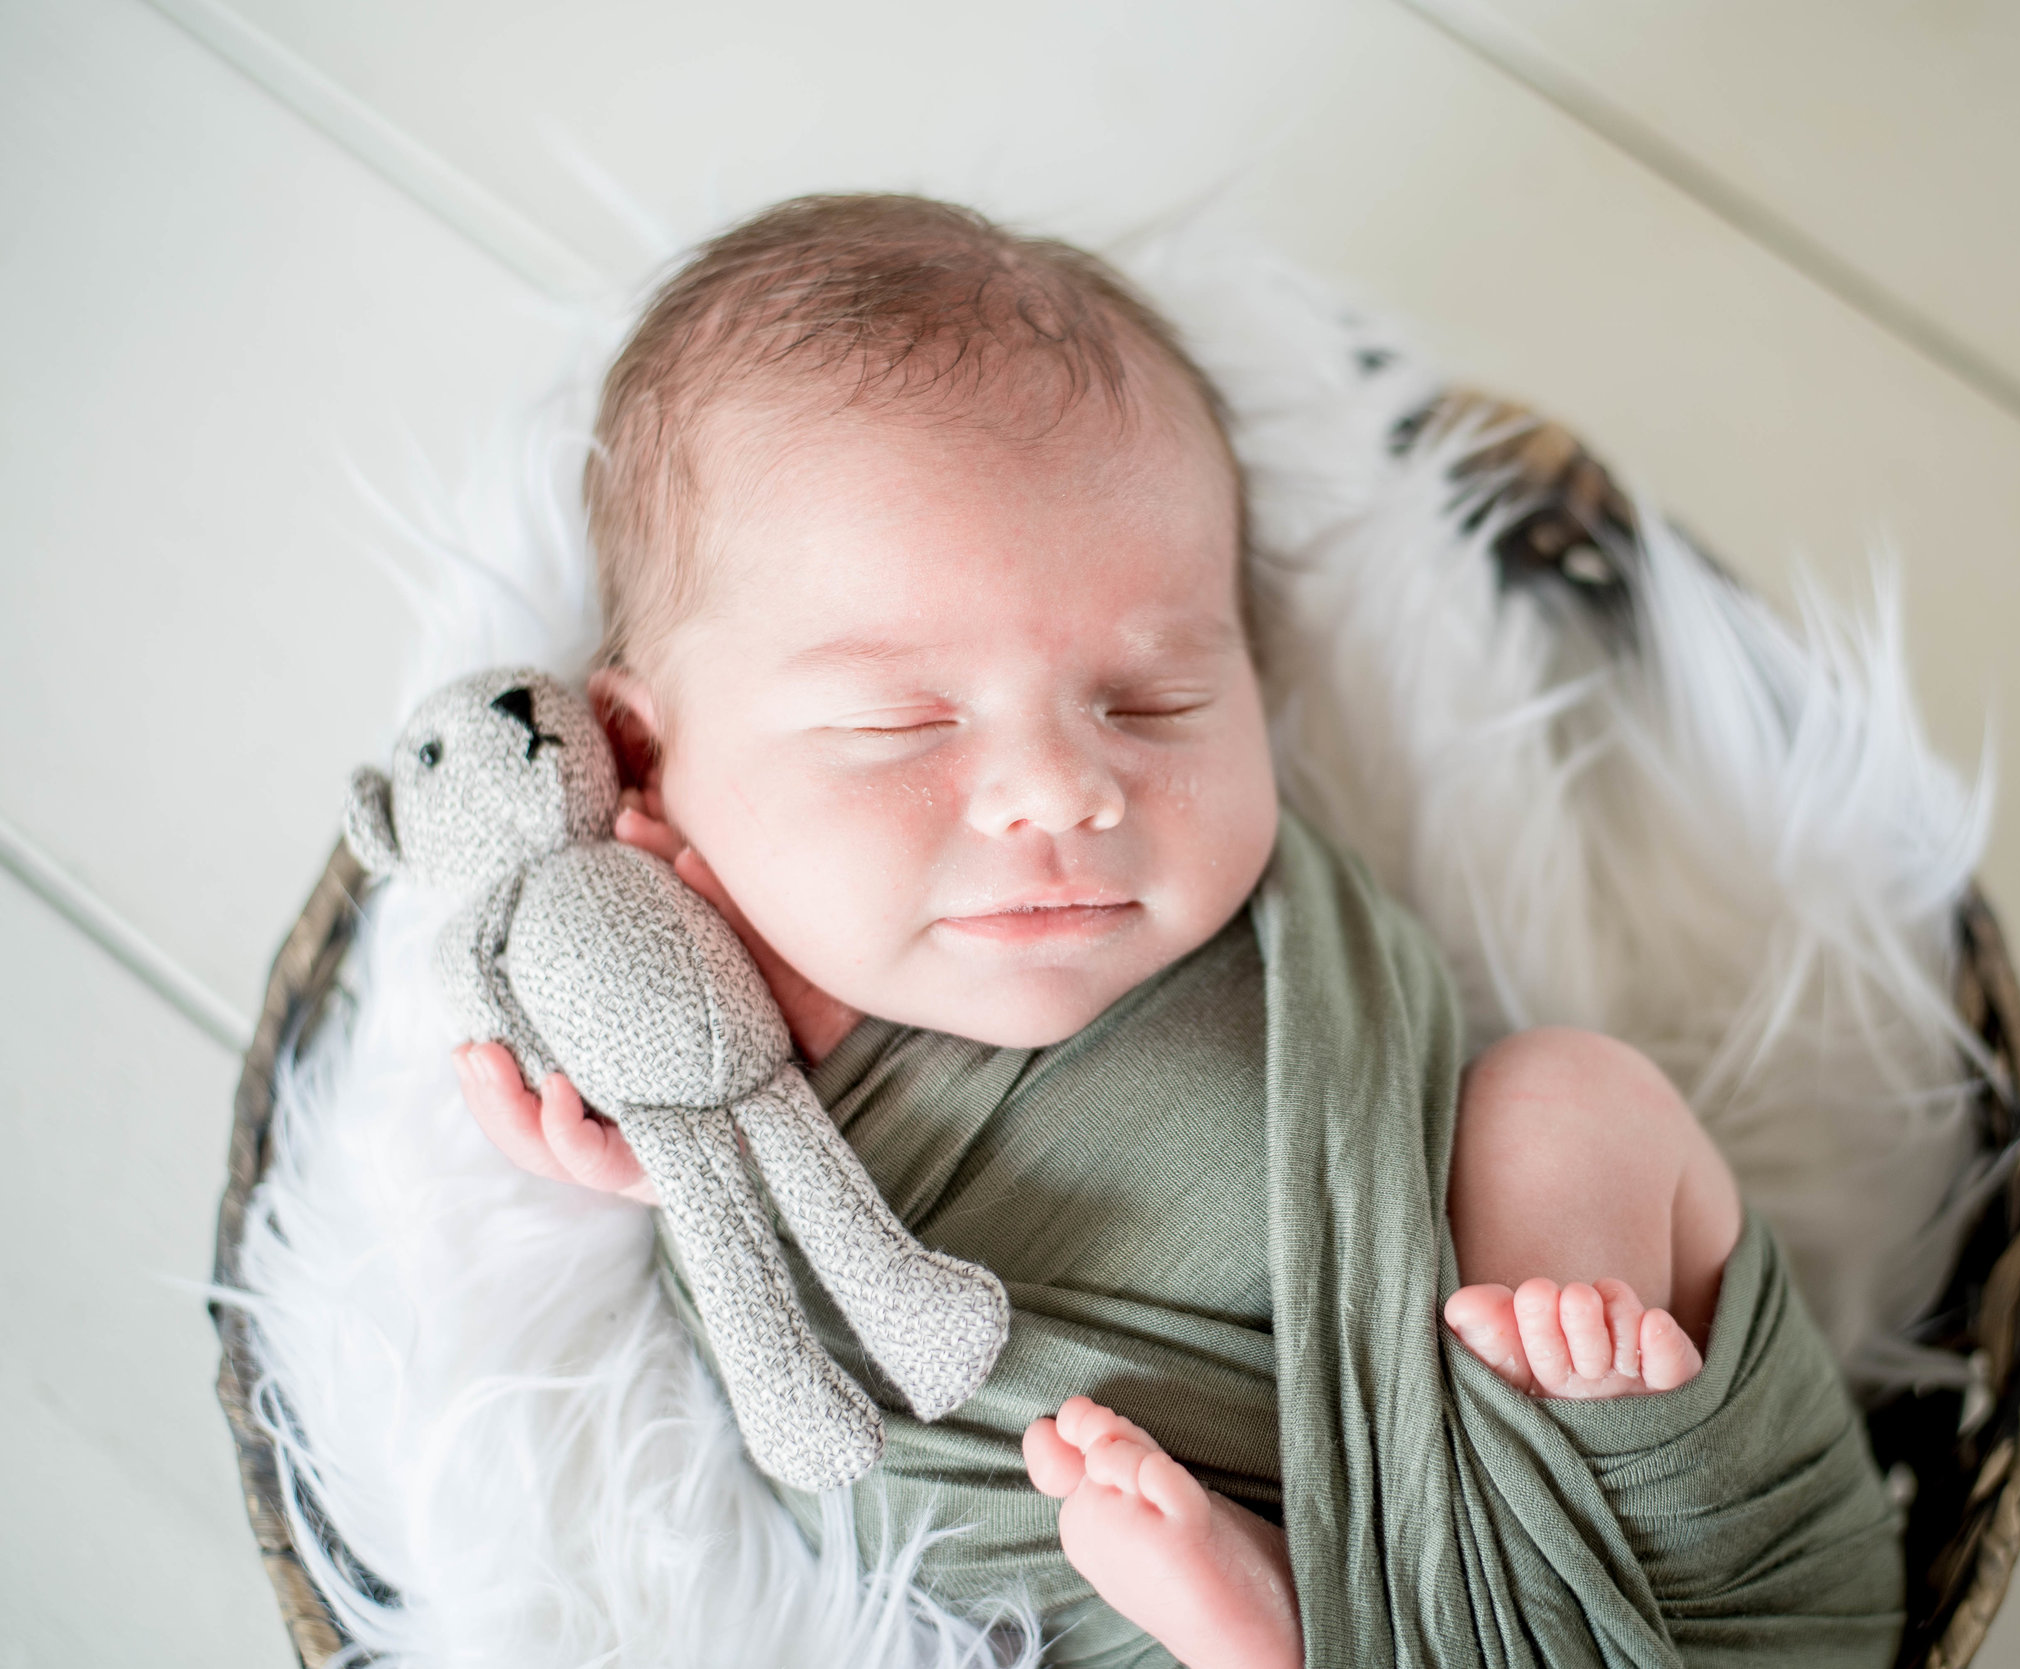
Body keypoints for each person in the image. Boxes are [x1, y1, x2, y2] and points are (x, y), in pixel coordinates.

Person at [453, 193, 1901, 1669]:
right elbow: (676, 1210)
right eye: (901, 723)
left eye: (1151, 705)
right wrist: (606, 1143)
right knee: (1074, 1514)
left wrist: (1545, 1344)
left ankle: (1536, 1448)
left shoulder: (1278, 916)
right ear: (643, 761)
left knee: (1570, 1100)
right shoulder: (681, 964)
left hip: (1665, 1564)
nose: (1059, 790)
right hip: (1127, 1551)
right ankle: (1293, 1624)